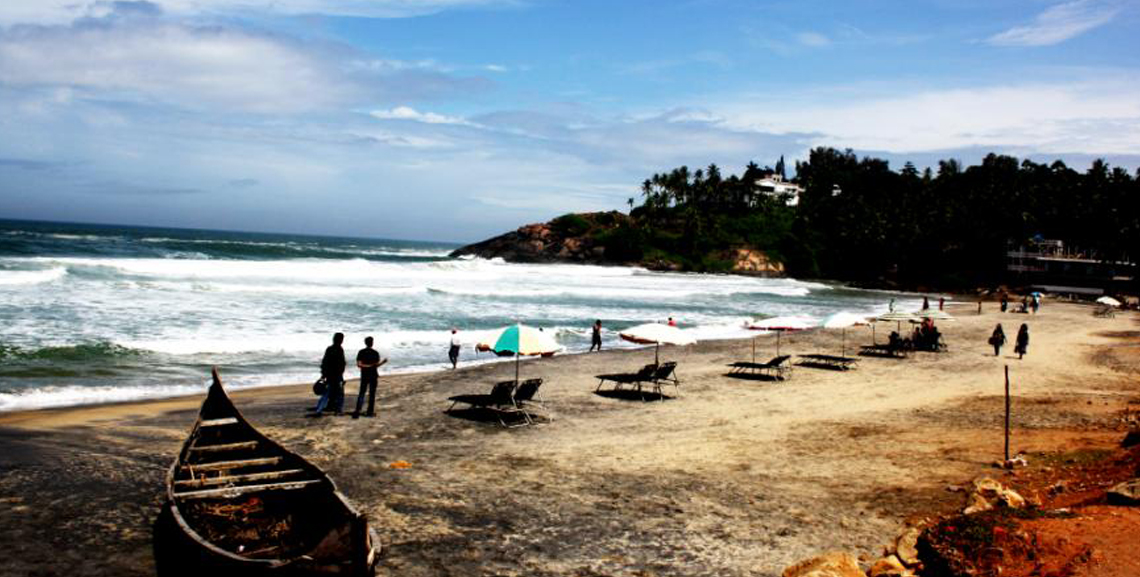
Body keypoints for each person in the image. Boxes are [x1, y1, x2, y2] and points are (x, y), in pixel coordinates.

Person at [312, 332, 346, 416]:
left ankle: (319, 410)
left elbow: (325, 362)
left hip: (329, 375)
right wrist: (341, 374)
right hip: (337, 375)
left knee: (326, 393)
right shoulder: (340, 349)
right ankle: (338, 410)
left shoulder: (329, 349)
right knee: (339, 394)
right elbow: (342, 364)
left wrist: (323, 374)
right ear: (341, 340)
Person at [352, 336, 387, 418]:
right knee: (372, 394)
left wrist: (367, 366)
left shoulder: (361, 352)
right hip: (373, 375)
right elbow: (376, 365)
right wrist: (383, 362)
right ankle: (369, 412)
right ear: (372, 343)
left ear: (365, 343)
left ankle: (357, 410)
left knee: (362, 392)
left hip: (364, 375)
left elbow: (359, 365)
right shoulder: (375, 353)